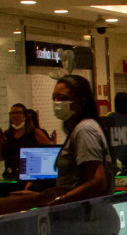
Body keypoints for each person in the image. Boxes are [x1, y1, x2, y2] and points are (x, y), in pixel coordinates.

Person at [45, 75, 114, 204]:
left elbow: (97, 182)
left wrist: (59, 200)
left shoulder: (85, 129)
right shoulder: (80, 128)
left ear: (81, 102)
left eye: (62, 98)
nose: (56, 102)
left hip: (88, 216)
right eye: (54, 98)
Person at [0, 103, 48, 179]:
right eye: (12, 113)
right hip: (10, 176)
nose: (15, 116)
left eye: (18, 113)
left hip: (31, 176)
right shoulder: (6, 135)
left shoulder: (35, 132)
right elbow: (0, 157)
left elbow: (47, 152)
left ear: (25, 115)